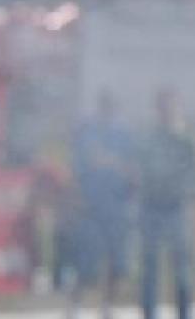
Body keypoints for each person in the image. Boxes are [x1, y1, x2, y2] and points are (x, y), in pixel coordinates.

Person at [137, 88, 195, 319]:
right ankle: (149, 313)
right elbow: (141, 171)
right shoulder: (149, 139)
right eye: (162, 106)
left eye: (171, 106)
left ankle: (185, 313)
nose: (167, 111)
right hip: (152, 208)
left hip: (178, 208)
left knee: (182, 269)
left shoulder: (187, 139)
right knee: (150, 267)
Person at [70, 91, 135, 319]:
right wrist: (79, 196)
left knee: (117, 262)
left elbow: (132, 169)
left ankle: (108, 306)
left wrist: (114, 165)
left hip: (117, 205)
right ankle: (76, 306)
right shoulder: (88, 132)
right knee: (87, 260)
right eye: (105, 106)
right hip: (92, 205)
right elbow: (80, 167)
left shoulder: (125, 135)